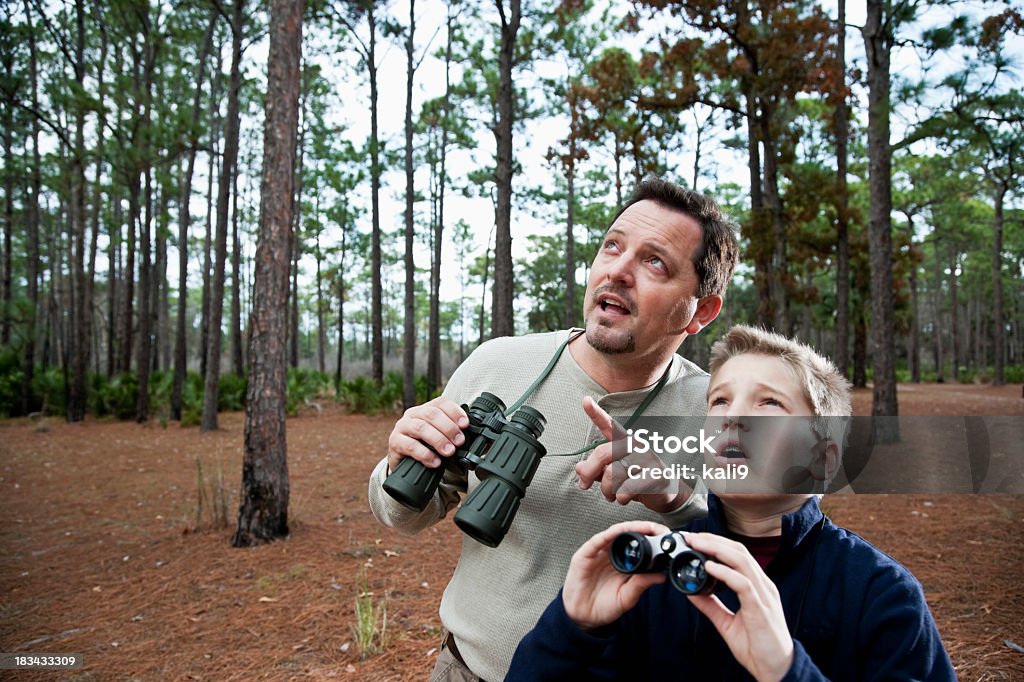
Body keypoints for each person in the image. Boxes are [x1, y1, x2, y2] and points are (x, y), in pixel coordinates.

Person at [367, 177, 740, 681]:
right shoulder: (497, 363)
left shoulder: (722, 413)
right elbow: (407, 517)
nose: (619, 271)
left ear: (701, 311)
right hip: (468, 669)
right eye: (612, 246)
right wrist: (401, 462)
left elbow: (759, 568)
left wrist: (679, 501)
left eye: (655, 262)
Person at [507, 325, 956, 681]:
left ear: (821, 460)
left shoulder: (881, 594)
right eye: (719, 400)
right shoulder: (650, 579)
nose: (731, 417)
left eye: (769, 404)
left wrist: (785, 669)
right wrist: (572, 629)